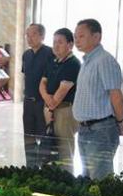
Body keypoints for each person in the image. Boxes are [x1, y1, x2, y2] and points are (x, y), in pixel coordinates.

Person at [72, 19, 123, 180]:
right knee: (88, 177)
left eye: (81, 36)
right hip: (85, 129)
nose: (77, 40)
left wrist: (119, 121)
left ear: (96, 37)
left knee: (100, 178)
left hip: (100, 129)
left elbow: (116, 95)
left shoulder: (104, 60)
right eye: (75, 36)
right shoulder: (87, 61)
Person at [39, 28, 81, 173]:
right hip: (50, 109)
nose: (56, 46)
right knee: (50, 147)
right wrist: (47, 100)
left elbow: (63, 90)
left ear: (70, 44)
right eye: (54, 42)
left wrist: (50, 105)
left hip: (64, 111)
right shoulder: (53, 61)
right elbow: (42, 83)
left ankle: (66, 178)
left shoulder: (73, 64)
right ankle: (52, 177)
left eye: (60, 42)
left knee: (64, 150)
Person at [22, 23, 55, 168]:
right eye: (27, 35)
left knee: (44, 136)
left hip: (43, 102)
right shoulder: (26, 55)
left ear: (42, 36)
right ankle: (30, 167)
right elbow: (26, 76)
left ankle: (44, 168)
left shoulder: (50, 53)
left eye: (33, 34)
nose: (29, 38)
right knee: (28, 137)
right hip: (28, 102)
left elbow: (52, 79)